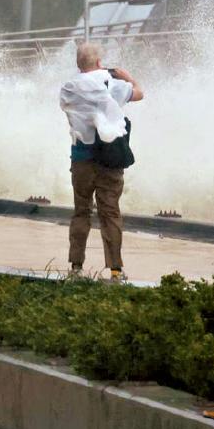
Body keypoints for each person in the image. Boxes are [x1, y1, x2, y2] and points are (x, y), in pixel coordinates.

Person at [58, 41, 144, 281]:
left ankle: (76, 268)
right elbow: (139, 94)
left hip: (81, 161)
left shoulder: (68, 88)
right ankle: (115, 270)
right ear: (99, 63)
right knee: (110, 214)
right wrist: (128, 77)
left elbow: (70, 110)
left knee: (81, 212)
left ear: (78, 64)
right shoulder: (112, 85)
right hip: (109, 160)